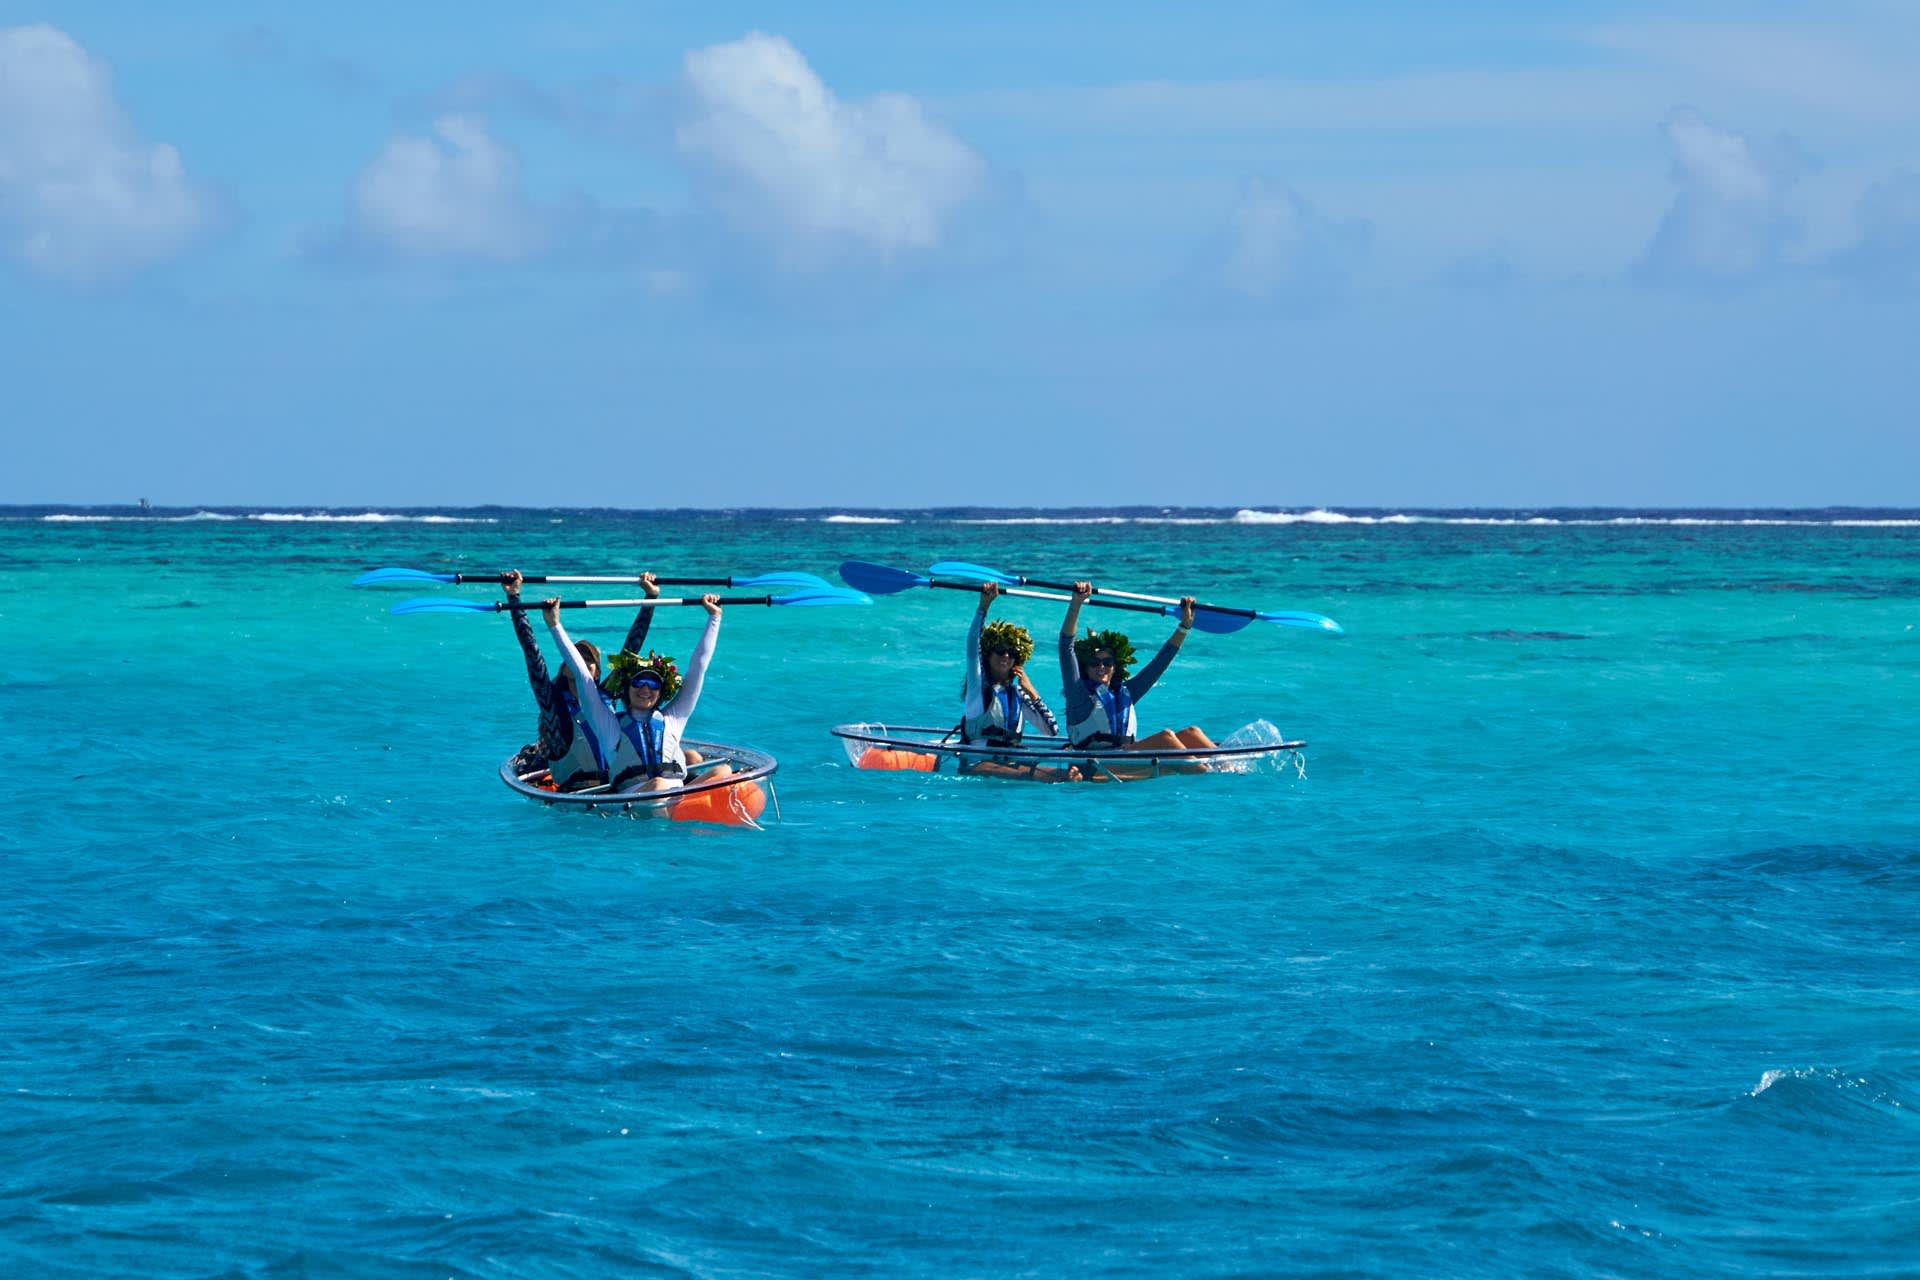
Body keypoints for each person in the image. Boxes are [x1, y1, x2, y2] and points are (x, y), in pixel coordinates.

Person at [544, 594, 727, 794]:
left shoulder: (672, 719)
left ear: (661, 691)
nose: (645, 689)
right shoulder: (610, 728)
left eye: (653, 684)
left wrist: (714, 617)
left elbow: (698, 668)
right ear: (626, 688)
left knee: (723, 770)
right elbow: (582, 675)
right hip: (637, 803)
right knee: (658, 784)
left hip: (676, 798)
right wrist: (555, 625)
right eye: (638, 682)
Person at [504, 568, 659, 790]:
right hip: (578, 797)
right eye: (576, 657)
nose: (582, 661)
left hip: (619, 790)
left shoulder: (607, 695)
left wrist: (651, 597)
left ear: (597, 673)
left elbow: (631, 648)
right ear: (566, 668)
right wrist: (514, 597)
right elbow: (531, 652)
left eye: (589, 659)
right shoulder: (553, 705)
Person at [1058, 580, 1215, 754]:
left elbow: (1159, 664)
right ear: (1085, 668)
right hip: (1096, 768)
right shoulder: (1078, 695)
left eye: (1107, 663)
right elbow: (1066, 648)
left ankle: (1229, 768)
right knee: (1165, 738)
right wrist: (1076, 604)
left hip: (1126, 759)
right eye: (1094, 663)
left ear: (1115, 667)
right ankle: (1208, 773)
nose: (1101, 667)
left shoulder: (1127, 692)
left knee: (1193, 733)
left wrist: (1185, 626)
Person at [959, 583, 1077, 781]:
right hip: (978, 765)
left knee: (1073, 775)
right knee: (1056, 776)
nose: (1006, 656)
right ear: (988, 656)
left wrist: (1032, 692)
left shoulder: (1018, 695)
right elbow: (972, 645)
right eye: (1000, 651)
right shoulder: (978, 687)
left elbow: (1051, 731)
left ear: (1017, 661)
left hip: (1012, 763)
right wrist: (984, 606)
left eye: (1011, 653)